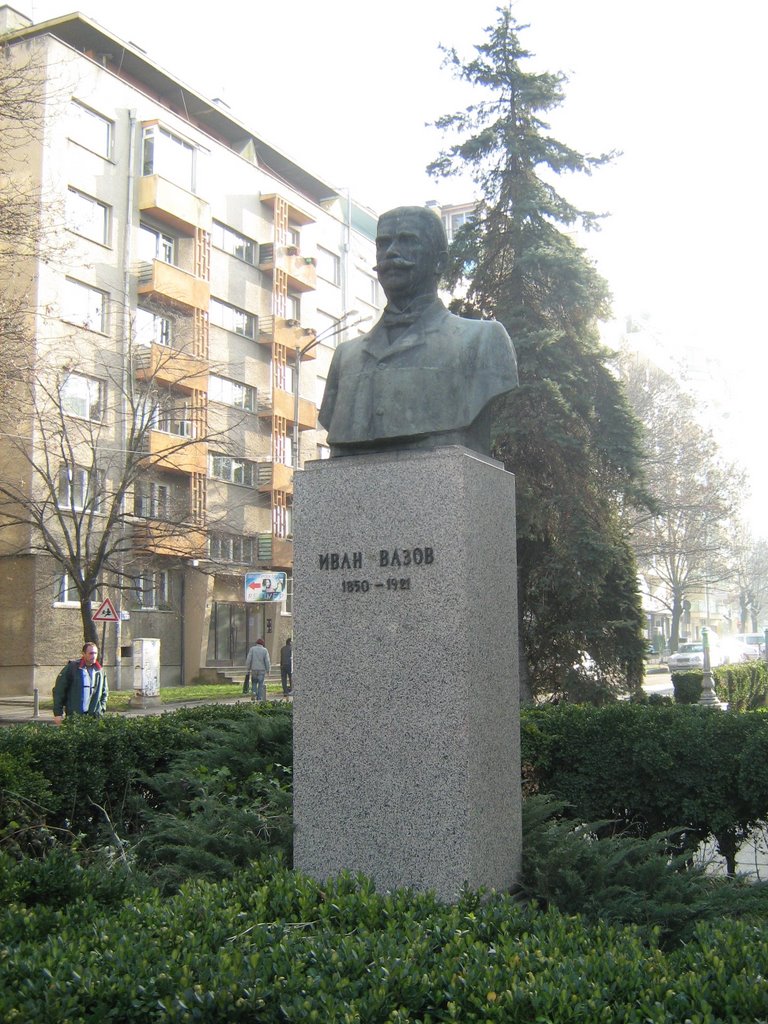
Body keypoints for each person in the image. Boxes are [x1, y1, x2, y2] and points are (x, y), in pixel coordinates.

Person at [318, 205, 518, 457]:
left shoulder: (482, 341)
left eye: (408, 241)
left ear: (439, 261)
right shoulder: (346, 357)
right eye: (383, 244)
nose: (391, 252)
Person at [52, 642, 108, 724]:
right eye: (91, 653)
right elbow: (59, 691)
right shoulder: (72, 668)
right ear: (83, 654)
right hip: (75, 716)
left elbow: (104, 692)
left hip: (94, 717)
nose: (94, 656)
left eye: (95, 653)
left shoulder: (100, 671)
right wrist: (58, 713)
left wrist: (101, 709)